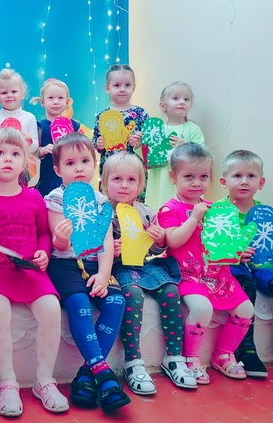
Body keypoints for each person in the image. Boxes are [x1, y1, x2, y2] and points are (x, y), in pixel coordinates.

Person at [0, 128, 69, 417]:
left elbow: (43, 232)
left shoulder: (35, 198)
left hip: (31, 273)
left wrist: (43, 252)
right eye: (0, 153)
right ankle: (8, 382)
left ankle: (44, 380)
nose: (8, 159)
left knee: (51, 309)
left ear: (25, 162)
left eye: (15, 154)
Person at [44, 132, 130, 413]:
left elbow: (106, 241)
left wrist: (104, 275)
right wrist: (61, 237)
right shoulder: (56, 198)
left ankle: (87, 374)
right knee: (79, 303)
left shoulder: (101, 201)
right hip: (65, 264)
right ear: (58, 170)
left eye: (85, 161)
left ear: (95, 165)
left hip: (95, 264)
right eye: (70, 163)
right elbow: (59, 244)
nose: (79, 168)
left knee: (116, 301)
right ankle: (104, 375)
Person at [157, 143, 254, 384]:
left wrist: (237, 252)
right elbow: (173, 241)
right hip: (186, 274)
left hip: (217, 275)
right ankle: (191, 358)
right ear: (173, 177)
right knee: (202, 309)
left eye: (203, 176)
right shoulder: (170, 208)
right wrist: (194, 217)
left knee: (246, 311)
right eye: (188, 176)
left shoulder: (216, 209)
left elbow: (223, 245)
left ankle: (224, 354)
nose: (196, 183)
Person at [103, 152, 197, 395]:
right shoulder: (103, 211)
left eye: (131, 180)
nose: (124, 185)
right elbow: (93, 247)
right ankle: (133, 361)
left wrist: (159, 240)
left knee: (170, 290)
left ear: (140, 185)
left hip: (143, 266)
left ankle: (174, 357)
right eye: (117, 179)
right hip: (118, 268)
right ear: (105, 182)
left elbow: (155, 249)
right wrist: (110, 250)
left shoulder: (145, 212)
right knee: (132, 294)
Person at [219, 149, 273, 376]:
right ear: (224, 181)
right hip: (234, 267)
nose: (244, 181)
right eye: (237, 176)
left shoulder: (266, 214)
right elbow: (211, 248)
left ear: (260, 182)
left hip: (264, 269)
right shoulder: (219, 213)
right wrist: (233, 254)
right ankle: (247, 349)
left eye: (251, 176)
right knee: (246, 287)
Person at [145, 82, 205, 211]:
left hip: (183, 179)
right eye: (176, 98)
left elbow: (203, 156)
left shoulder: (193, 129)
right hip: (160, 177)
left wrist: (185, 146)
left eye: (186, 99)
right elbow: (146, 156)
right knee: (159, 206)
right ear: (163, 106)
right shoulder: (157, 129)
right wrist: (139, 144)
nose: (182, 102)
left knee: (182, 209)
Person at [92, 64, 148, 175]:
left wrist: (139, 143)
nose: (122, 89)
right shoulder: (102, 116)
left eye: (127, 85)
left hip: (135, 168)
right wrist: (99, 144)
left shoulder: (141, 113)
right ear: (107, 88)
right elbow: (95, 140)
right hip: (111, 168)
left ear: (133, 88)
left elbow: (149, 142)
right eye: (117, 85)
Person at [35, 78, 81, 197]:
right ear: (42, 102)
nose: (56, 102)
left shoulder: (74, 125)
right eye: (51, 98)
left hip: (70, 177)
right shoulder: (40, 126)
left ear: (67, 102)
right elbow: (35, 151)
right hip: (48, 178)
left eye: (60, 98)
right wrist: (43, 150)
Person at [0, 69, 39, 157]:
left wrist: (28, 141)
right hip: (0, 162)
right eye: (4, 93)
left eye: (14, 91)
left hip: (22, 163)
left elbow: (35, 147)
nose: (9, 95)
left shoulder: (30, 117)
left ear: (22, 94)